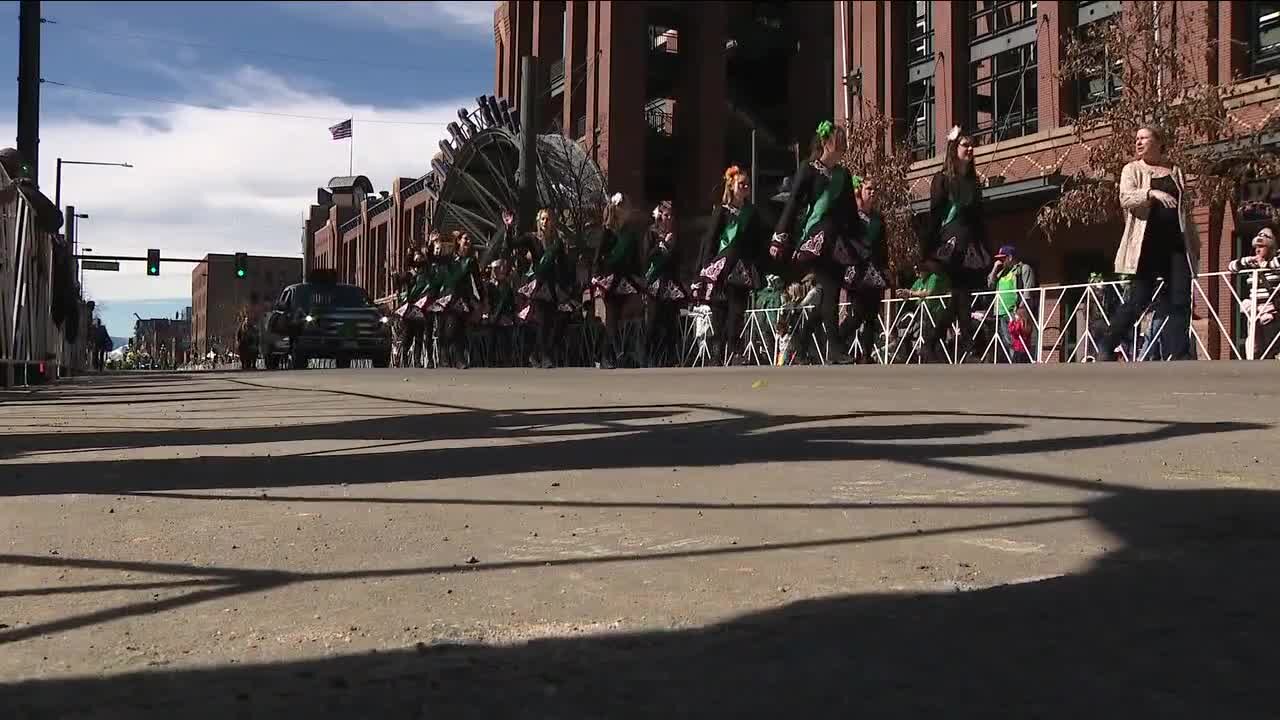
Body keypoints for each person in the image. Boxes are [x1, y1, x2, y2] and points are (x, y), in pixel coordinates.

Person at [1098, 125, 1200, 361]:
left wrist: (1193, 243)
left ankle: (1179, 352)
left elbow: (1185, 210)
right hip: (1146, 246)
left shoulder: (1175, 170)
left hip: (1176, 245)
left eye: (1144, 138)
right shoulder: (1132, 169)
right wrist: (1152, 193)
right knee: (1138, 299)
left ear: (1158, 141)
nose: (1138, 142)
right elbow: (1126, 198)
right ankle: (1108, 343)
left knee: (1181, 299)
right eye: (1137, 139)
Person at [770, 122, 863, 365]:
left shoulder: (843, 175)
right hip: (817, 239)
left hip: (839, 242)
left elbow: (851, 214)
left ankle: (801, 342)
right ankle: (833, 348)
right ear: (825, 143)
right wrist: (781, 235)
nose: (843, 146)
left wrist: (860, 242)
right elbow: (793, 204)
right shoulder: (808, 169)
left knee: (827, 294)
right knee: (831, 290)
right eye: (838, 141)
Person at [920, 126, 991, 363]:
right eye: (965, 145)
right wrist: (927, 251)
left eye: (972, 145)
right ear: (954, 149)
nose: (970, 149)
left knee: (958, 297)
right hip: (949, 245)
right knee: (961, 293)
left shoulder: (974, 183)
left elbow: (979, 220)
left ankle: (930, 341)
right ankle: (969, 348)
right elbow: (934, 217)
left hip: (968, 245)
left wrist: (988, 249)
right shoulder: (942, 180)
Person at [695, 165, 770, 365]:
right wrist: (705, 268)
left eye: (747, 184)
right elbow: (711, 240)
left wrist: (757, 265)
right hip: (721, 267)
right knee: (720, 311)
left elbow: (757, 242)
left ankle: (736, 350)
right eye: (741, 184)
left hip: (742, 268)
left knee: (738, 311)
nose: (745, 187)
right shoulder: (721, 211)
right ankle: (717, 353)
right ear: (732, 186)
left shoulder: (751, 213)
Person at [591, 193, 646, 369]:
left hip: (626, 281)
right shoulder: (608, 232)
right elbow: (598, 257)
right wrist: (596, 275)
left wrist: (640, 277)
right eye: (621, 207)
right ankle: (608, 356)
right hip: (610, 281)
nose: (624, 210)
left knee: (621, 318)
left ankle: (612, 353)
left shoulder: (630, 233)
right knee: (612, 318)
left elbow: (636, 259)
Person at [517, 208, 574, 368]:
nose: (545, 222)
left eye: (548, 219)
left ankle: (535, 354)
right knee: (543, 321)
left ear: (552, 222)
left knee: (551, 322)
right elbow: (513, 244)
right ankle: (545, 356)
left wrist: (566, 285)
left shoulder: (557, 242)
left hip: (553, 286)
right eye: (542, 219)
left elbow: (563, 265)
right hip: (539, 286)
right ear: (538, 221)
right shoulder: (532, 238)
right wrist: (508, 228)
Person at [643, 200, 686, 367]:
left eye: (671, 216)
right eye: (666, 215)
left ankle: (670, 358)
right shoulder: (651, 233)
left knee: (671, 323)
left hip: (671, 282)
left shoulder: (675, 234)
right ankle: (648, 357)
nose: (669, 219)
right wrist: (663, 245)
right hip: (655, 281)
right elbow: (646, 256)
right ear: (659, 216)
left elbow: (679, 259)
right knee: (653, 322)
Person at [1229, 224, 1280, 360]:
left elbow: (1277, 264)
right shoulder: (1252, 261)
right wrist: (1248, 261)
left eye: (1262, 247)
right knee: (1254, 347)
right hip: (1254, 310)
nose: (1258, 250)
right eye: (1257, 247)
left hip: (1272, 310)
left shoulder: (1276, 258)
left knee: (1271, 346)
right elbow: (1231, 267)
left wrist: (1266, 265)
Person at [987, 244, 1037, 362]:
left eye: (1002, 258)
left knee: (1018, 339)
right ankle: (1012, 362)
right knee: (1007, 341)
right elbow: (990, 284)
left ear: (1010, 257)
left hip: (1015, 310)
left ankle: (1020, 362)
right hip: (1001, 310)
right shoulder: (1002, 272)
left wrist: (1022, 308)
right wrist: (995, 269)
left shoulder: (1023, 269)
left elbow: (1028, 290)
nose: (1000, 261)